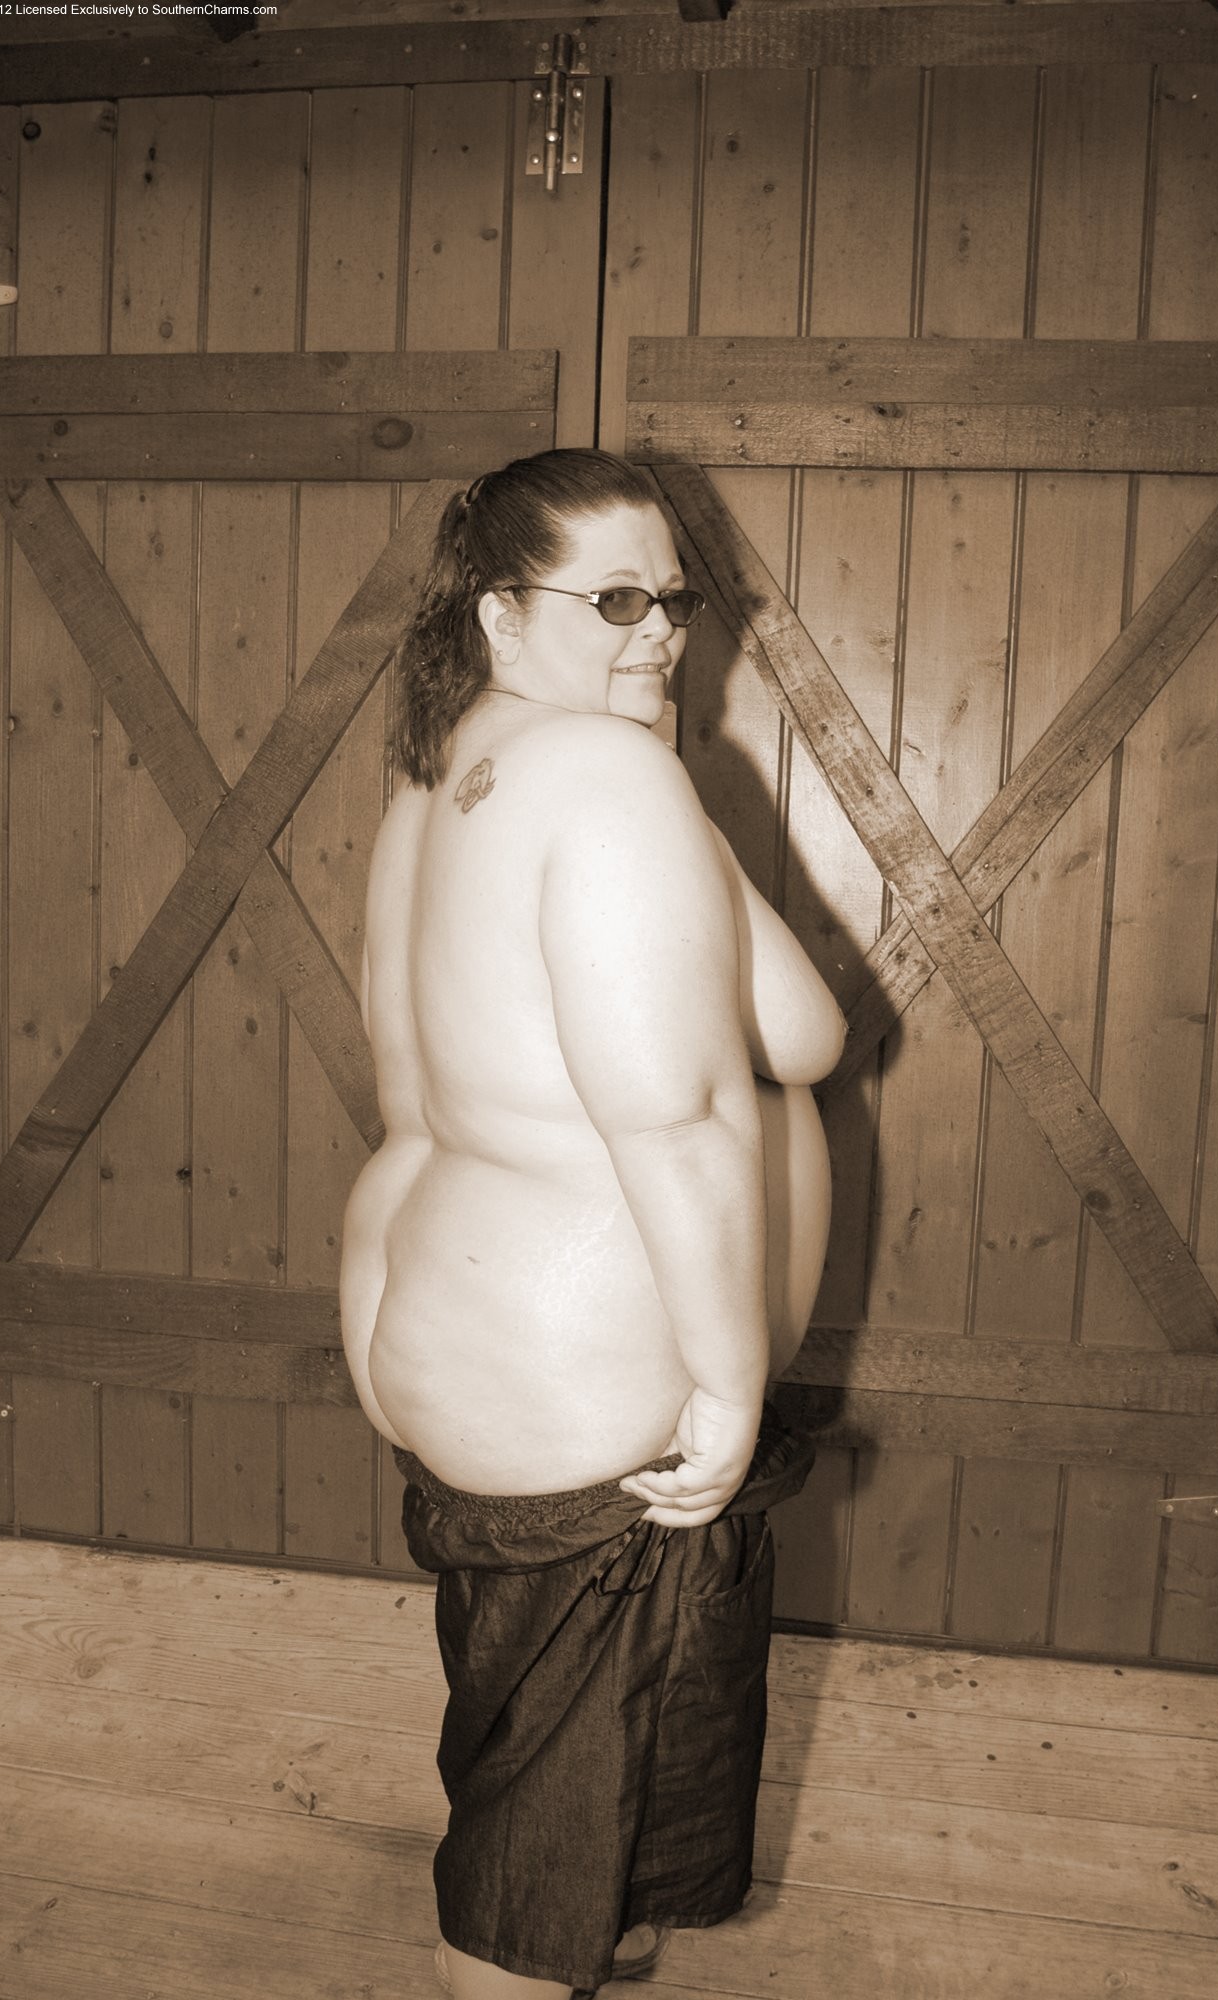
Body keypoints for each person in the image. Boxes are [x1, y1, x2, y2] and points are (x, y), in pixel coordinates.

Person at [339, 450, 847, 2000]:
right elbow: (677, 1116)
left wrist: (665, 788)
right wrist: (731, 1381)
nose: (660, 632)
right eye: (614, 600)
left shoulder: (443, 779)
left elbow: (796, 1025)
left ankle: (592, 1938)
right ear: (499, 614)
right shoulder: (605, 781)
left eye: (674, 600)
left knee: (538, 1736)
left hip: (456, 1332)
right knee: (534, 1867)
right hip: (576, 1375)